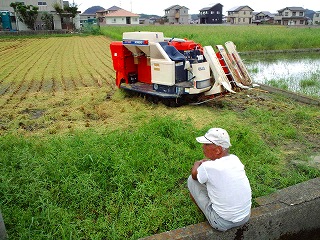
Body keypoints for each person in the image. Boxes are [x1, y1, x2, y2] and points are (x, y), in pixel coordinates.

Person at [187, 127, 252, 231]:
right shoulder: (235, 159)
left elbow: (194, 175)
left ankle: (207, 215)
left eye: (206, 144)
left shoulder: (208, 167)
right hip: (245, 216)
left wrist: (197, 163)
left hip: (222, 223)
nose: (203, 147)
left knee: (191, 180)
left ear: (217, 150)